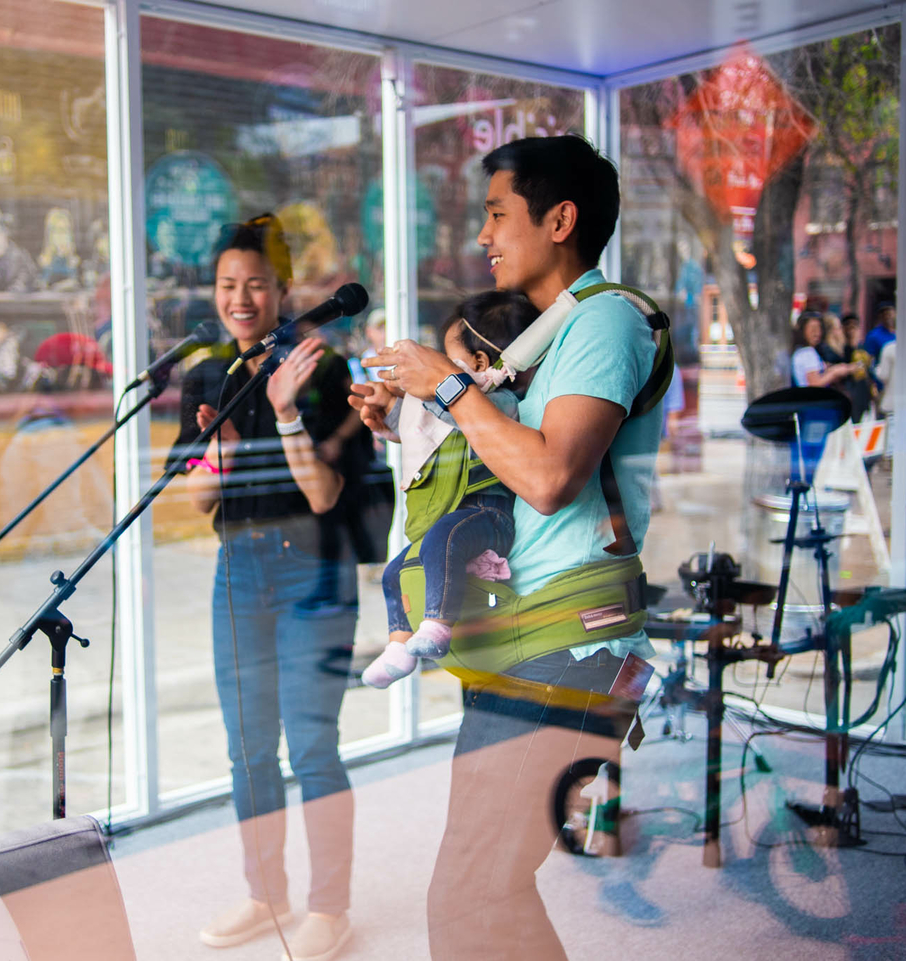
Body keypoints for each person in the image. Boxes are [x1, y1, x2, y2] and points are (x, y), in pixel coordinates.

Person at [355, 135, 664, 960]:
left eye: (497, 215)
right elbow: (498, 469)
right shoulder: (546, 339)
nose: (483, 237)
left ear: (560, 220)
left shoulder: (604, 322)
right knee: (491, 883)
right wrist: (411, 417)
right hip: (529, 638)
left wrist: (447, 385)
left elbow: (553, 474)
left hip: (571, 644)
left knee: (468, 891)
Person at [175, 214, 360, 961]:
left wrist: (284, 411)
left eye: (255, 283)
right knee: (247, 748)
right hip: (237, 570)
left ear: (283, 288)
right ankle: (265, 893)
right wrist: (217, 446)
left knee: (312, 746)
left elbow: (323, 494)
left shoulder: (323, 367)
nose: (240, 296)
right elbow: (197, 499)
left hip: (311, 570)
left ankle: (330, 906)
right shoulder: (207, 375)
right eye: (227, 284)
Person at [360, 291, 535, 689]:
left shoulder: (503, 403)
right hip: (455, 516)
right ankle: (398, 646)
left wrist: (432, 384)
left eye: (447, 360)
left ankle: (437, 623)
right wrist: (389, 408)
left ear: (479, 363)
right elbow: (430, 429)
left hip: (487, 515)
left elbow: (450, 415)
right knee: (395, 570)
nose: (439, 369)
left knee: (442, 537)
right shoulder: (460, 402)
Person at [790, 312, 855, 389]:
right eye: (812, 329)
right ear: (802, 330)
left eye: (819, 328)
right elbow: (814, 384)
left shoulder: (801, 351)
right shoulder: (807, 353)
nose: (817, 333)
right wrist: (835, 372)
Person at [839, 314, 876, 422]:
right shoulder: (840, 349)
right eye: (848, 327)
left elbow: (868, 370)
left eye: (854, 327)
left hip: (862, 393)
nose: (851, 331)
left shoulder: (863, 348)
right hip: (848, 393)